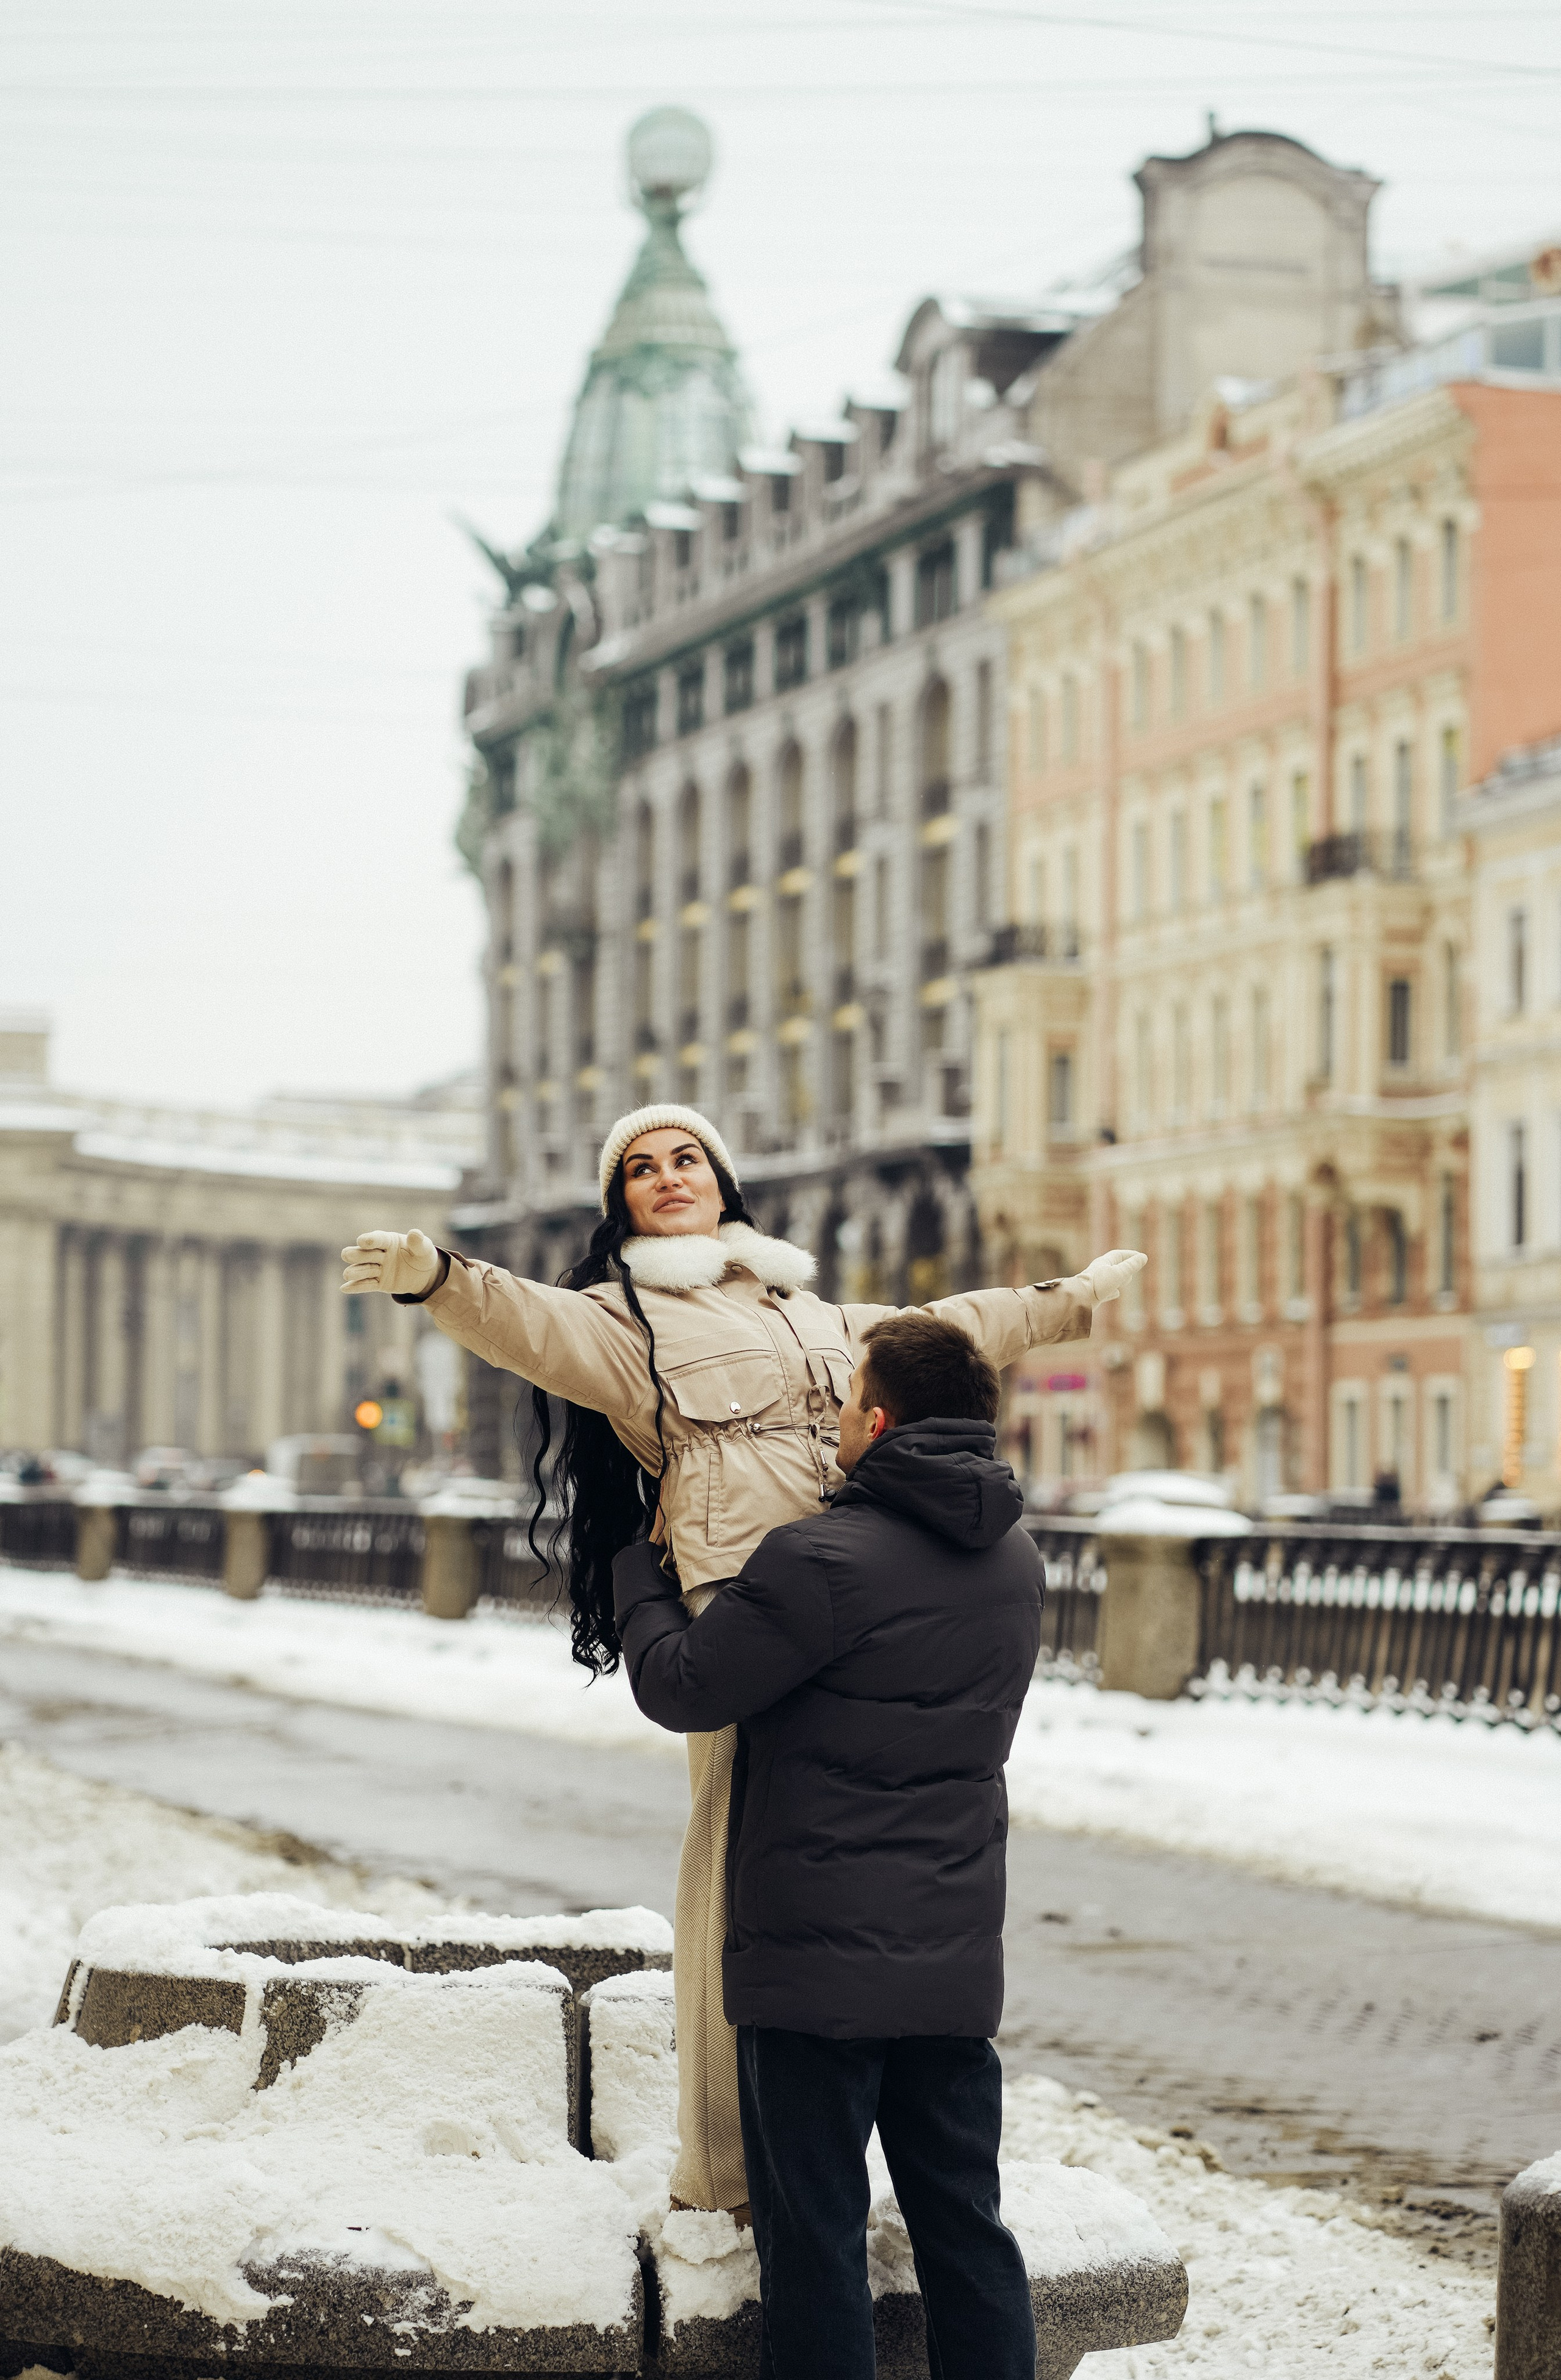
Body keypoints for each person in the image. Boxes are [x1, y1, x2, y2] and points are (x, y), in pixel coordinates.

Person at [341, 1102, 1145, 2220]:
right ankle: (724, 2170)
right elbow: (529, 1325)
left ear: (722, 1178)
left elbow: (944, 1326)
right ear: (619, 1199)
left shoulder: (807, 1308)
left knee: (849, 1866)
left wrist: (1067, 1301)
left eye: (686, 1158)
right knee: (737, 1874)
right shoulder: (625, 1322)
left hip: (850, 1594)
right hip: (738, 1610)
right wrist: (437, 1276)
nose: (668, 1176)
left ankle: (839, 2124)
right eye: (640, 1167)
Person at [613, 1308, 1043, 2380]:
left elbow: (683, 1685)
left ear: (881, 1420)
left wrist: (638, 1578)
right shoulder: (1017, 1561)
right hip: (950, 1964)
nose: (834, 1413)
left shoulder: (819, 1559)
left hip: (811, 1971)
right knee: (969, 2234)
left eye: (847, 1396)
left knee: (814, 2246)